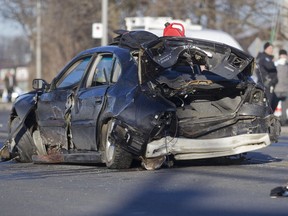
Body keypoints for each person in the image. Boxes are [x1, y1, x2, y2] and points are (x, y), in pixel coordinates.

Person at [255, 42, 278, 112]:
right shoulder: (263, 58)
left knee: (273, 103)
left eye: (272, 48)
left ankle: (268, 117)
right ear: (265, 49)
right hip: (265, 85)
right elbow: (260, 70)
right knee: (266, 104)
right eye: (270, 48)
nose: (271, 50)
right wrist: (267, 80)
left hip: (271, 85)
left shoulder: (269, 59)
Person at [274, 49, 288, 124]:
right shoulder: (275, 65)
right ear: (280, 56)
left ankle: (283, 121)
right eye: (283, 55)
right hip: (277, 89)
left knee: (284, 108)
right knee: (273, 106)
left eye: (285, 55)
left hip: (285, 89)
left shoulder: (287, 65)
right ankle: (272, 120)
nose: (284, 57)